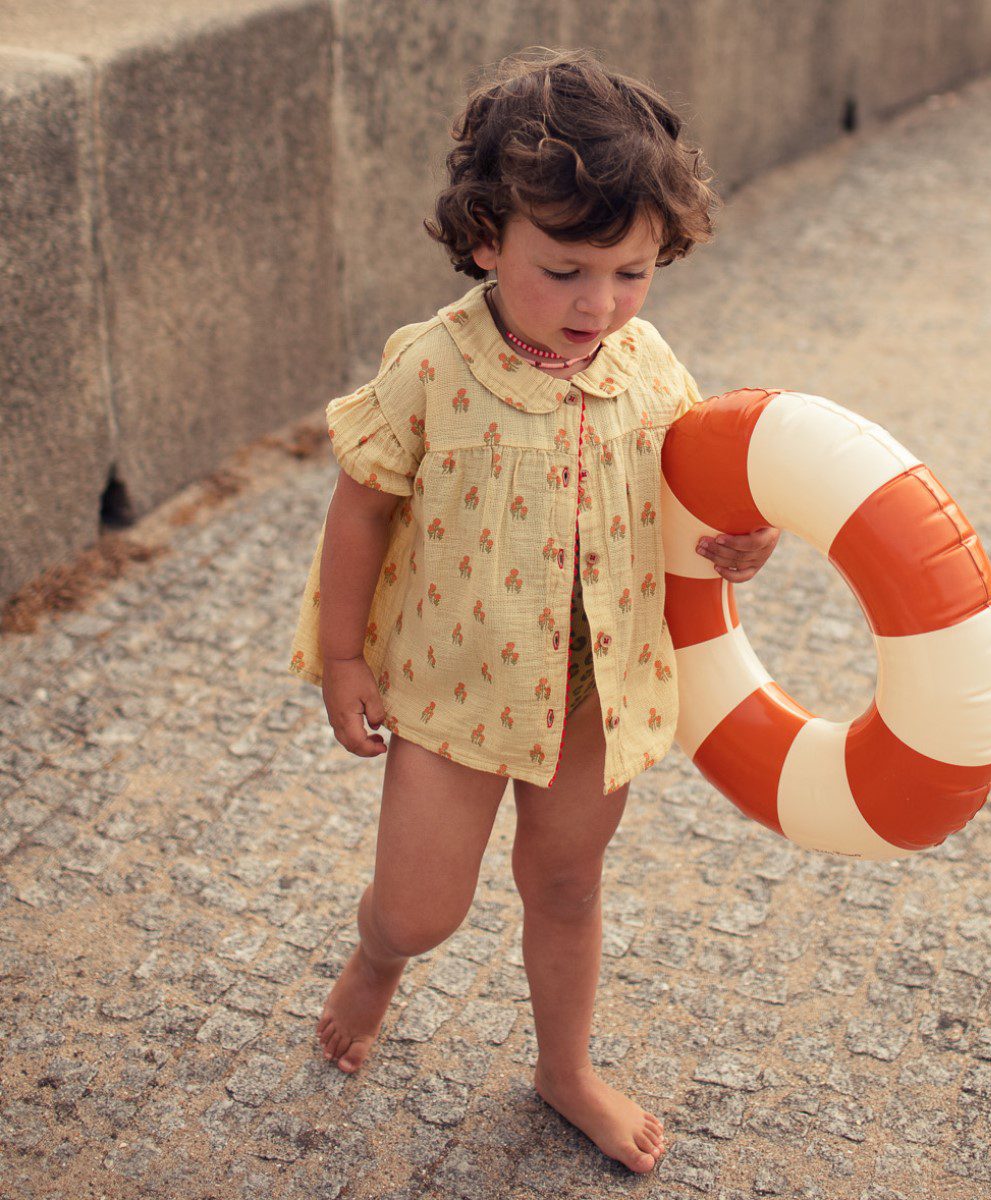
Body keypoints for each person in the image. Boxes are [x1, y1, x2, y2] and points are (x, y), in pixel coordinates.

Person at [287, 46, 780, 1175]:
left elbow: (692, 501)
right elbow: (361, 510)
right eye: (563, 271)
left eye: (631, 273)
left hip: (592, 687)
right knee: (421, 908)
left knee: (565, 883)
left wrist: (739, 545)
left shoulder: (647, 365)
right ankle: (377, 957)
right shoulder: (433, 368)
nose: (597, 305)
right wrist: (343, 658)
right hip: (458, 681)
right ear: (485, 239)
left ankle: (565, 1067)